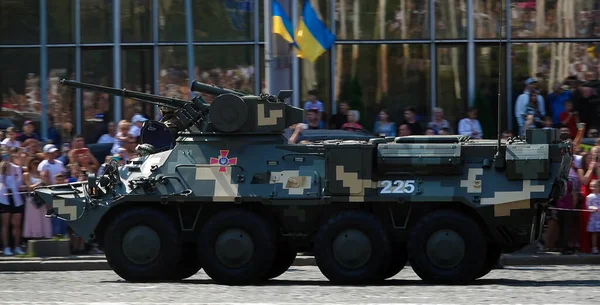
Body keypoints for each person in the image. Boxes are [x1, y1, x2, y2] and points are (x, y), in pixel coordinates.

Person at [0, 147, 26, 255]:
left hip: (16, 197)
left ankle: (17, 246)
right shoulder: (1, 168)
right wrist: (2, 171)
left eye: (8, 155)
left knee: (17, 224)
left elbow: (19, 183)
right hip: (3, 198)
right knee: (5, 224)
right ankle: (6, 247)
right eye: (5, 155)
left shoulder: (16, 168)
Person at [586, 180, 600, 254]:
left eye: (595, 186)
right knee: (594, 233)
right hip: (594, 218)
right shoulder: (589, 197)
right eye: (592, 186)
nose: (594, 188)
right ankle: (594, 247)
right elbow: (588, 206)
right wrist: (593, 208)